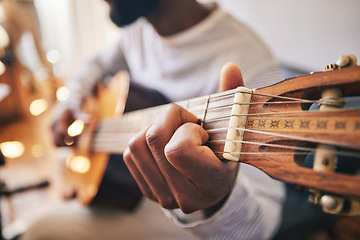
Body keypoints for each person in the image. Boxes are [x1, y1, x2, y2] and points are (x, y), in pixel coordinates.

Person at [21, 0, 285, 239]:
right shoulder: (141, 28)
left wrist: (214, 200)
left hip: (196, 224)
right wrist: (70, 101)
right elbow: (96, 64)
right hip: (128, 186)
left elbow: (260, 228)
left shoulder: (249, 63)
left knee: (40, 231)